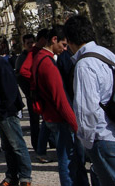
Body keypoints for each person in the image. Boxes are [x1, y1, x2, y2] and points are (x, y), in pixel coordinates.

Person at [64, 15, 115, 186]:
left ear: (70, 41)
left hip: (105, 136)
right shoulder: (107, 53)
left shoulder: (84, 65)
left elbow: (86, 108)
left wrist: (87, 141)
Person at [30, 25, 88, 186]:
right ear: (54, 40)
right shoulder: (48, 64)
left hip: (49, 114)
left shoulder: (38, 58)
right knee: (68, 160)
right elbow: (60, 98)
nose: (65, 49)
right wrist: (76, 125)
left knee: (69, 158)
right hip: (58, 117)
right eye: (63, 44)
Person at [0, 35, 32, 186]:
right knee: (7, 147)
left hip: (8, 113)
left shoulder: (2, 65)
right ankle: (11, 175)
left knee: (17, 145)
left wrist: (3, 109)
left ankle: (25, 176)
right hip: (0, 112)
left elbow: (10, 92)